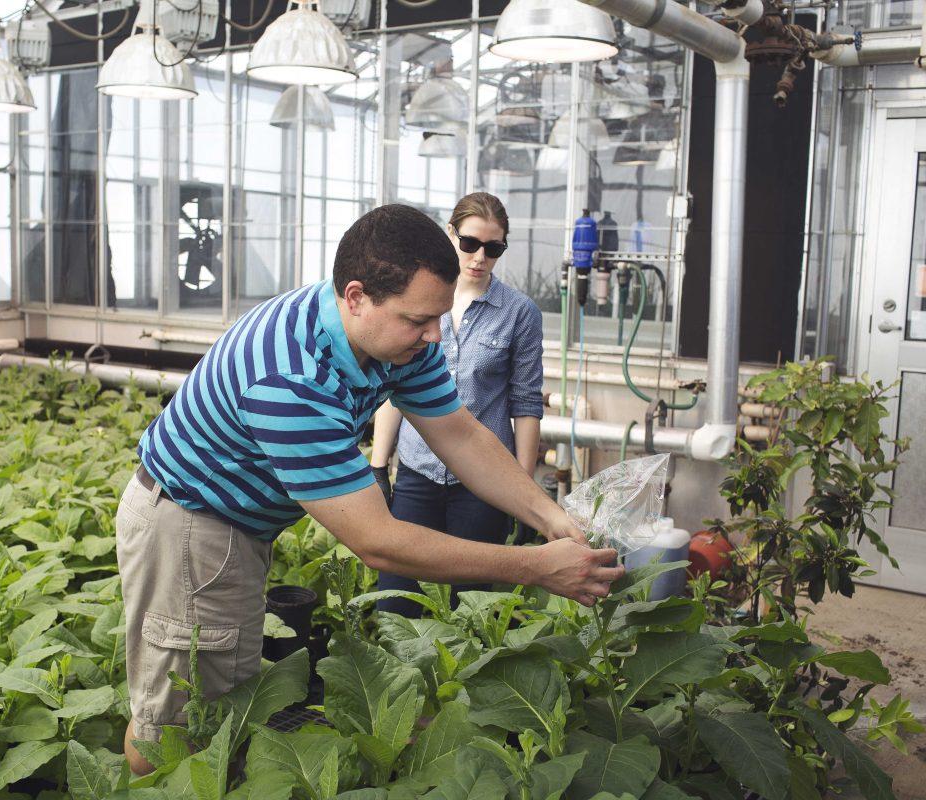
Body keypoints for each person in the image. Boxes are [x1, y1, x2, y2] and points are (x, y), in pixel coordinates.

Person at [115, 204, 624, 775]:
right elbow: (377, 541)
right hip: (190, 528)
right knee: (174, 725)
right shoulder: (290, 378)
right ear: (356, 296)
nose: (435, 335)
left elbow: (458, 433)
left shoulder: (391, 338)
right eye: (418, 320)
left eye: (438, 316)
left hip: (237, 527)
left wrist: (548, 518)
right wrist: (535, 567)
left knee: (230, 700)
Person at [369, 192, 542, 617]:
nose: (480, 257)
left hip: (483, 481)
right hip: (417, 468)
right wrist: (378, 465)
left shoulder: (519, 313)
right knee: (396, 600)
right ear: (450, 235)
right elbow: (397, 385)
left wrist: (522, 491)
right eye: (470, 243)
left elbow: (525, 402)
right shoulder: (419, 299)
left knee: (473, 605)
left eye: (493, 248)